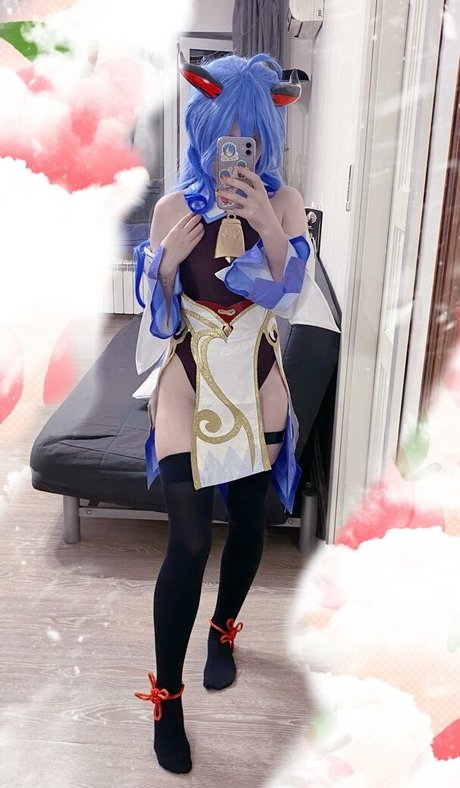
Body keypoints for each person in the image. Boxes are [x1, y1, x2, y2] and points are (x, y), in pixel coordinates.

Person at [132, 51, 337, 775]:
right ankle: (167, 700)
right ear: (205, 131)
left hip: (254, 371)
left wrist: (270, 227)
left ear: (264, 140)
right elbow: (157, 313)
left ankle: (223, 631)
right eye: (225, 137)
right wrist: (164, 262)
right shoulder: (172, 208)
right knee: (188, 542)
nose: (235, 153)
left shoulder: (286, 202)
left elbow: (287, 293)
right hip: (190, 372)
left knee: (251, 520)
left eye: (248, 140)